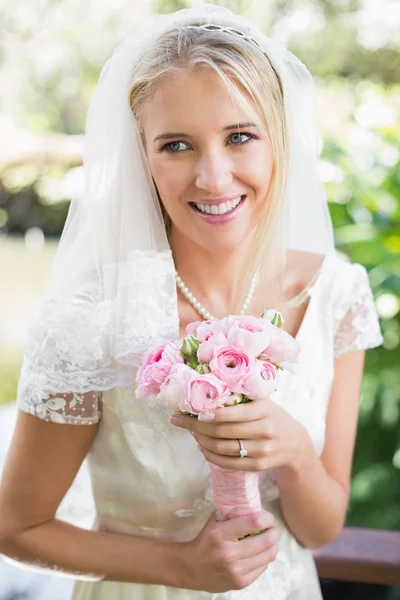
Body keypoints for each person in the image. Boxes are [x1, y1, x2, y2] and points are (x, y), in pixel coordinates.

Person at [0, 4, 383, 599]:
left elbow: (321, 528)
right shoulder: (91, 316)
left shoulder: (335, 295)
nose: (212, 176)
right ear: (141, 159)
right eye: (176, 145)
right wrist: (179, 567)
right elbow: (16, 527)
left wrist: (295, 455)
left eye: (239, 136)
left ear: (278, 138)